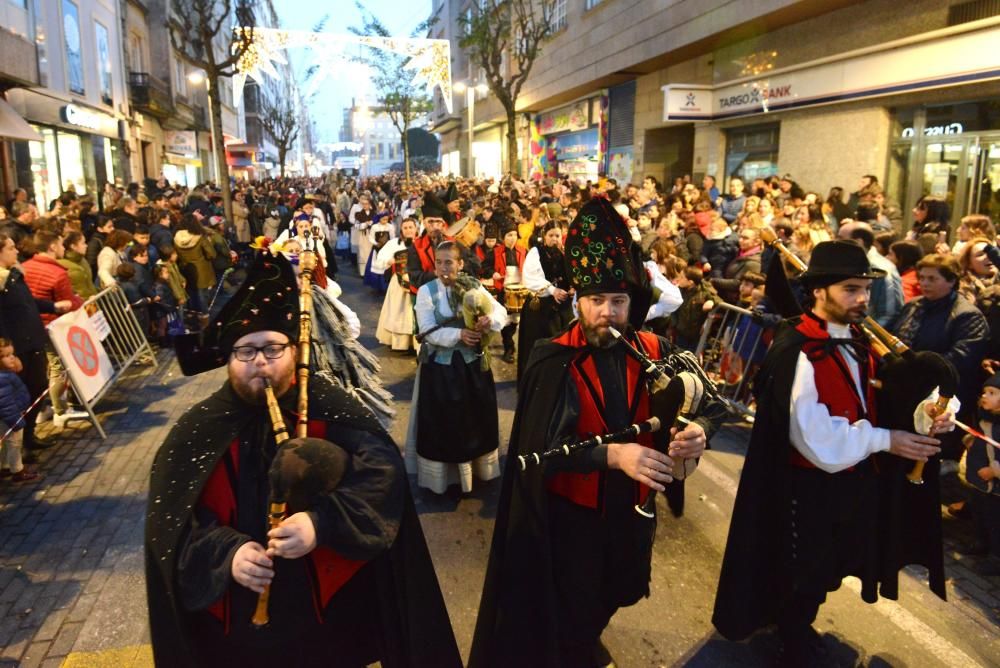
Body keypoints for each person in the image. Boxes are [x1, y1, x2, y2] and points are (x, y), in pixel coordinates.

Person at [146, 250, 461, 667]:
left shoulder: (329, 406)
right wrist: (228, 554)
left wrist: (321, 521)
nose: (260, 361)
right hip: (238, 633)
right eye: (246, 351)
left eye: (272, 349)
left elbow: (382, 475)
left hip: (327, 626)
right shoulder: (196, 430)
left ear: (294, 351)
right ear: (228, 358)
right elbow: (173, 531)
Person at [470, 197, 725, 667]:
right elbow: (537, 455)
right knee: (572, 605)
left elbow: (709, 403)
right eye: (596, 301)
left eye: (618, 301)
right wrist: (613, 456)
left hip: (631, 509)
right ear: (578, 300)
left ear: (632, 302)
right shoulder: (552, 357)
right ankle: (576, 647)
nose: (607, 312)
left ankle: (585, 636)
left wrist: (699, 430)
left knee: (618, 588)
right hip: (573, 517)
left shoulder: (654, 347)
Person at [713, 241, 957, 665]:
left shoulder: (859, 340)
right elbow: (815, 437)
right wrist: (887, 440)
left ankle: (797, 623)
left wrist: (930, 412)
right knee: (802, 570)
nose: (863, 298)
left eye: (865, 288)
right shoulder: (797, 350)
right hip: (807, 489)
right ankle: (792, 634)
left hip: (852, 481)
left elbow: (888, 395)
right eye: (851, 289)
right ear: (819, 291)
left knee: (829, 566)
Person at [406, 241, 507, 495]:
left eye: (449, 262)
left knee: (473, 421)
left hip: (472, 367)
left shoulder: (473, 286)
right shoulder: (427, 292)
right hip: (441, 370)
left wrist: (489, 320)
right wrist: (459, 334)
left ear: (460, 264)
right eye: (438, 262)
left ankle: (475, 474)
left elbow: (501, 312)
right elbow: (427, 330)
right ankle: (444, 480)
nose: (442, 268)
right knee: (446, 425)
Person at [21, 231, 87, 428]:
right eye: (60, 244)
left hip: (33, 327)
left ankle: (44, 410)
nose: (64, 248)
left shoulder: (26, 267)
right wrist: (79, 301)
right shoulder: (57, 273)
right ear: (51, 247)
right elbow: (67, 303)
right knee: (58, 368)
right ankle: (60, 410)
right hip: (52, 327)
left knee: (47, 368)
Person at [517, 220, 573, 380]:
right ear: (544, 236)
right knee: (539, 346)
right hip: (540, 310)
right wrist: (552, 290)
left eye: (557, 235)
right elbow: (531, 279)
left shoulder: (564, 253)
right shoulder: (536, 252)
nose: (554, 239)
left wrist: (571, 287)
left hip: (561, 309)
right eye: (551, 235)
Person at [962, 372, 1000, 575]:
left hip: (995, 487)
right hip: (980, 483)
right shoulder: (986, 419)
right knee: (980, 514)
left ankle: (996, 557)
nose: (984, 396)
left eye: (992, 392)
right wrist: (970, 440)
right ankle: (981, 542)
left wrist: (994, 470)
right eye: (984, 392)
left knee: (995, 522)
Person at [373, 218, 418, 352]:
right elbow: (379, 259)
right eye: (406, 228)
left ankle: (415, 342)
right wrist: (390, 260)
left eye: (411, 227)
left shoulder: (421, 243)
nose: (409, 230)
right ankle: (400, 343)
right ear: (401, 230)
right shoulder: (394, 243)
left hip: (417, 281)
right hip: (398, 283)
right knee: (398, 310)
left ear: (416, 229)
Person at [0, 339, 40, 482]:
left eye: (12, 354)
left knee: (6, 443)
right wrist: (15, 421)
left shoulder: (5, 374)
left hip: (11, 416)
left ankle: (4, 467)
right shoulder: (2, 379)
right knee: (14, 443)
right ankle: (18, 470)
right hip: (11, 418)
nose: (12, 357)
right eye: (6, 355)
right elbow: (5, 403)